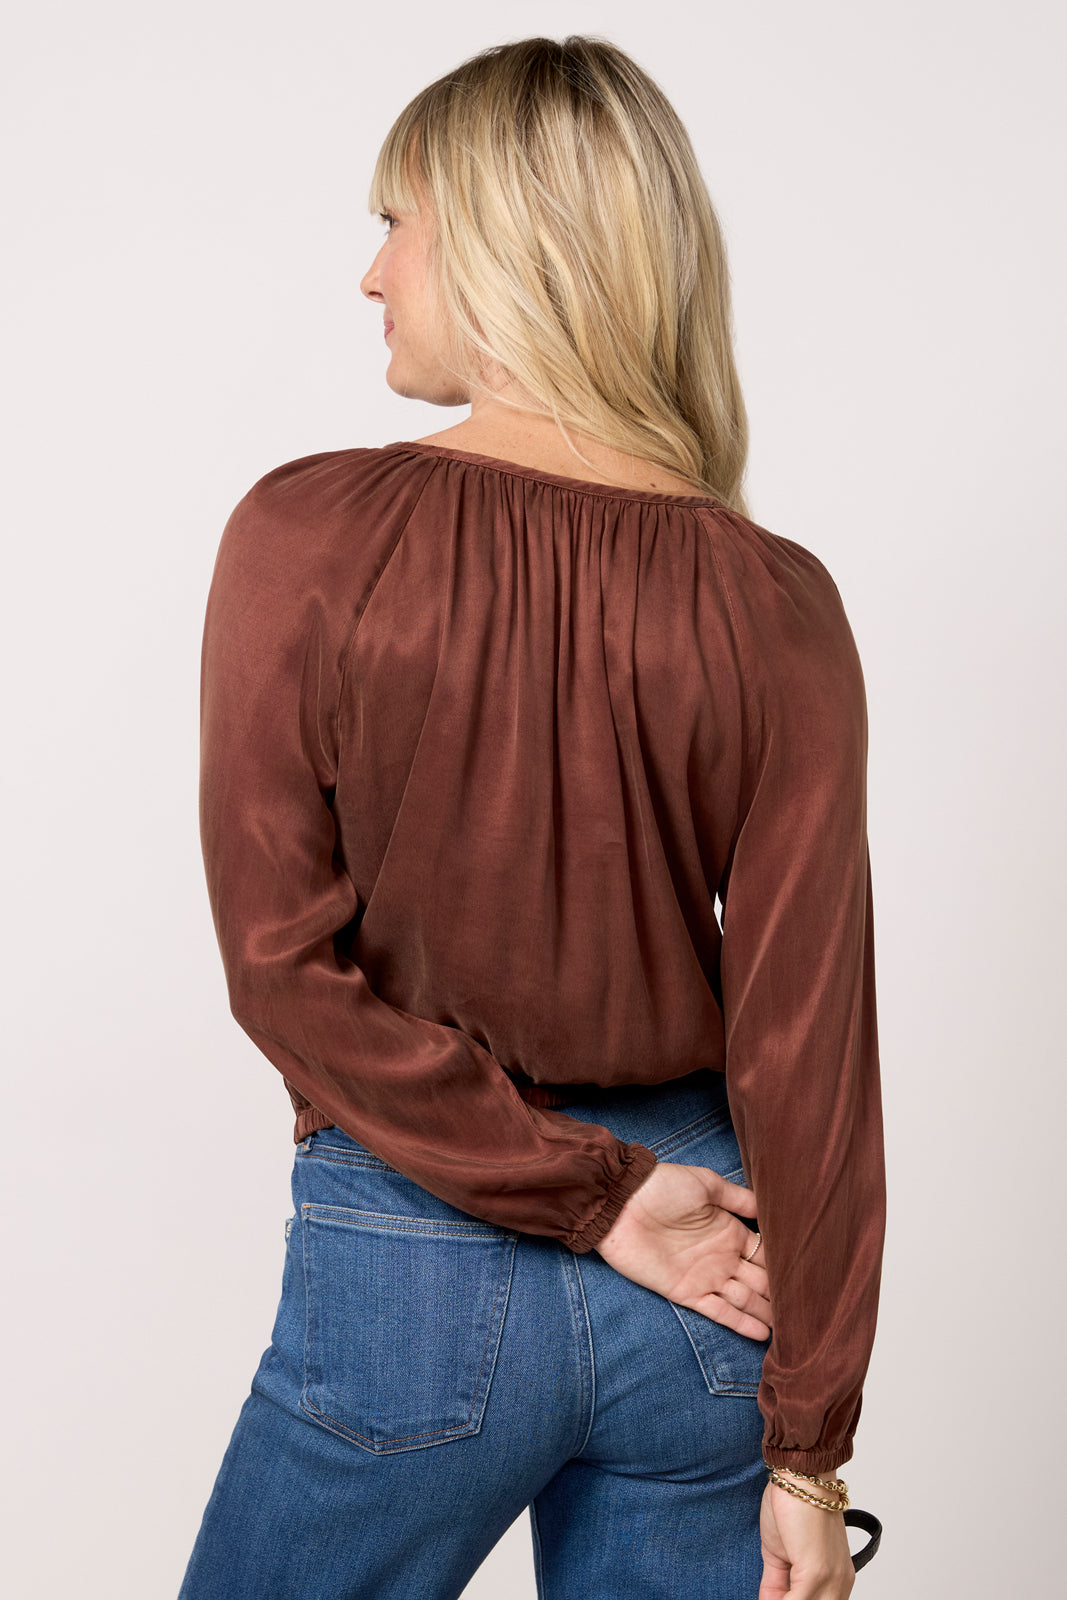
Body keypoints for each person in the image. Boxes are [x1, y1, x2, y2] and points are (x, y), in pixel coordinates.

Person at [179, 34, 885, 1600]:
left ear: (505, 242)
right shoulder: (775, 601)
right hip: (709, 1279)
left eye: (397, 222)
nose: (373, 274)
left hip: (424, 1261)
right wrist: (810, 1447)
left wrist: (594, 1199)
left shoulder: (309, 535)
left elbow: (281, 970)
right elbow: (811, 1047)